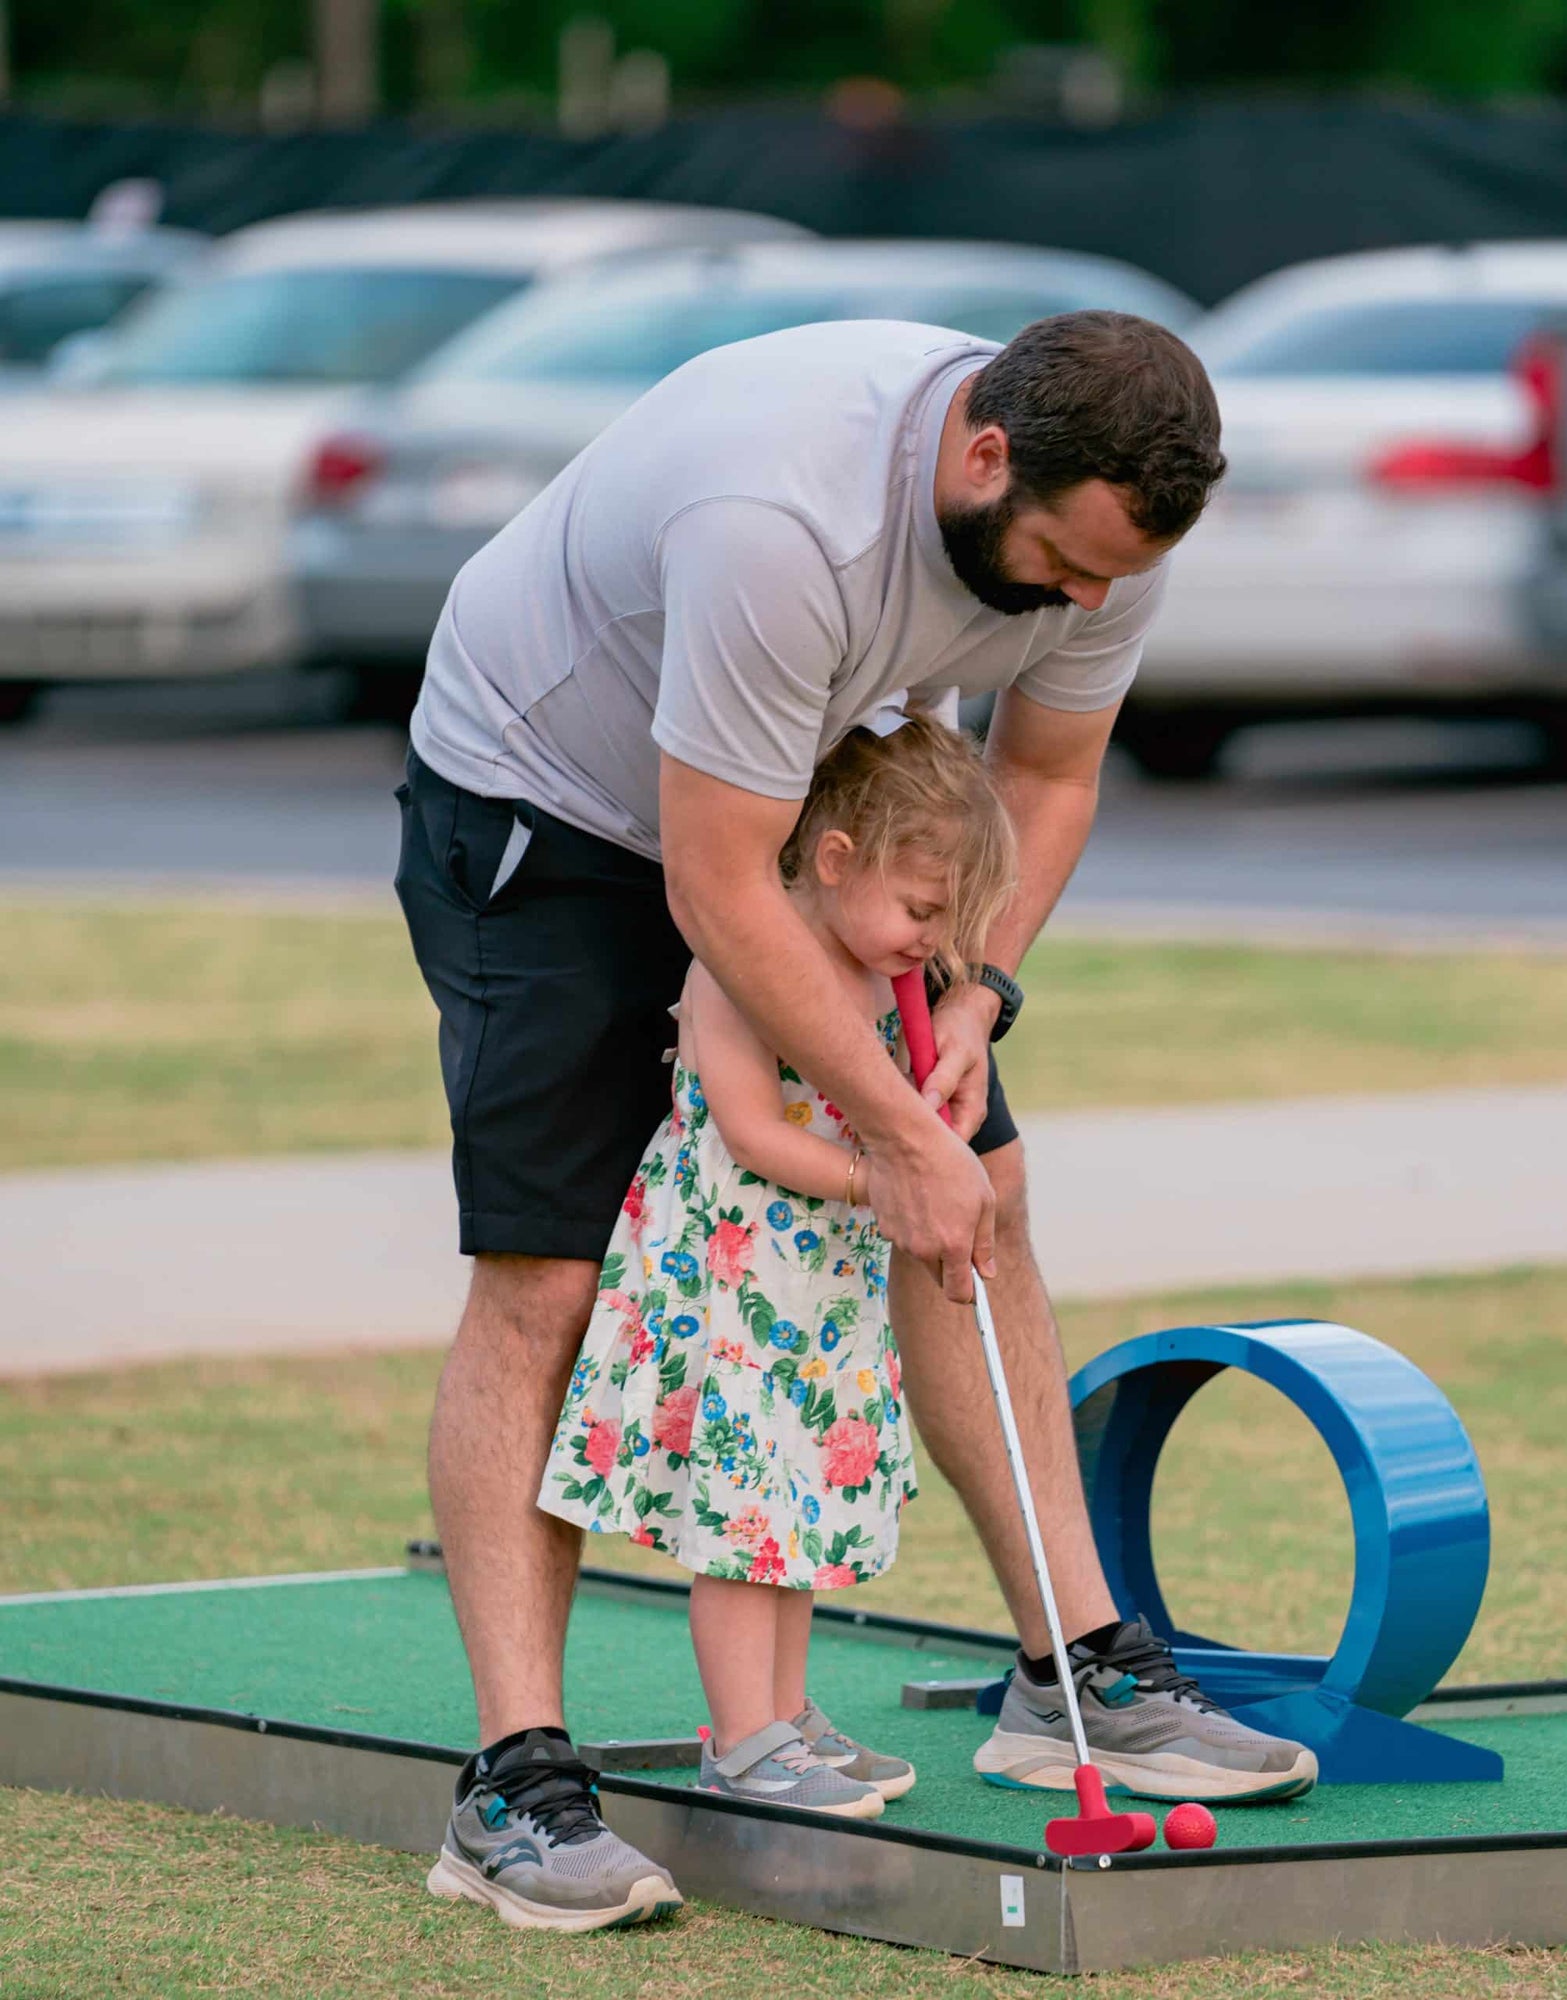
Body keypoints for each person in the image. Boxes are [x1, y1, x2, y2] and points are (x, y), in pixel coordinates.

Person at [397, 309, 1317, 1932]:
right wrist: (896, 1132)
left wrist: (973, 1003)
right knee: (551, 1271)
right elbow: (714, 879)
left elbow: (1045, 782)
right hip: (555, 798)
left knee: (989, 1192)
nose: (1084, 605)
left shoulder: (1108, 532)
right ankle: (515, 1787)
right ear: (982, 459)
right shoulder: (782, 518)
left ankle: (1075, 1673)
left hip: (823, 821)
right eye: (1055, 564)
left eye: (1113, 578)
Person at [536, 716, 1014, 1824]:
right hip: (738, 1287)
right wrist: (886, 1176)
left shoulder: (877, 976)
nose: (935, 942)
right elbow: (752, 1130)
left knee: (792, 1509)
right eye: (922, 909)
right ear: (837, 859)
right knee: (743, 1519)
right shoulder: (743, 971)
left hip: (815, 1299)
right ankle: (740, 1737)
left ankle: (786, 1716)